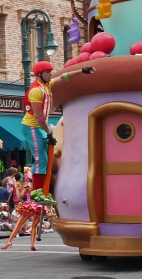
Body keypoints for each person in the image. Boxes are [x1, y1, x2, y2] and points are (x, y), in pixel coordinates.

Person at [22, 61, 94, 191]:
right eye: (47, 72)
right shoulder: (36, 91)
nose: (50, 74)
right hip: (32, 127)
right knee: (40, 158)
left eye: (50, 72)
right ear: (39, 74)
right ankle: (36, 192)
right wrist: (49, 133)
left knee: (48, 158)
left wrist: (81, 71)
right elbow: (38, 116)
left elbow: (63, 77)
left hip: (40, 128)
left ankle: (44, 189)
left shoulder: (46, 85)